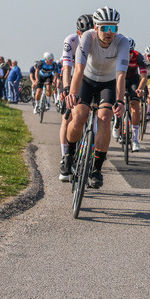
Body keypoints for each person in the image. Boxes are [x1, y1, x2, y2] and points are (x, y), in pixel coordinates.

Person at [63, 7, 129, 190]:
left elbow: (121, 74)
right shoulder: (87, 37)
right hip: (86, 79)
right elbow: (78, 69)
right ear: (96, 27)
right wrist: (72, 93)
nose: (109, 33)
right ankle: (69, 155)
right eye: (105, 28)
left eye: (113, 28)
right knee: (79, 115)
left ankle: (96, 170)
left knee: (105, 118)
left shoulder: (122, 42)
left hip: (108, 83)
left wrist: (121, 101)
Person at [58, 14, 95, 182]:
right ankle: (66, 156)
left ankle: (90, 150)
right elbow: (67, 68)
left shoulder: (96, 40)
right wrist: (67, 88)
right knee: (68, 116)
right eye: (83, 33)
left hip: (90, 78)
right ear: (78, 33)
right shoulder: (71, 41)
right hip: (72, 76)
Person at [121, 38, 148, 151]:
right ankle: (116, 122)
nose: (128, 54)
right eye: (126, 52)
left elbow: (144, 77)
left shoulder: (139, 57)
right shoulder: (118, 55)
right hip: (120, 78)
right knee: (118, 101)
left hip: (133, 80)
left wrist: (140, 89)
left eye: (130, 52)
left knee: (135, 105)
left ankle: (135, 139)